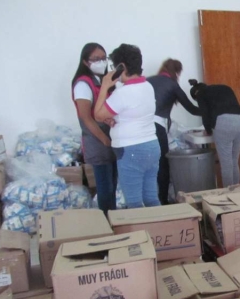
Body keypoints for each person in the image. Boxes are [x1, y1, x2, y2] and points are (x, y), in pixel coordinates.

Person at [94, 44, 161, 209]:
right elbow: (130, 113)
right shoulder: (147, 87)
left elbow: (98, 115)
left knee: (134, 202)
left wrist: (104, 86)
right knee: (151, 198)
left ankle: (141, 228)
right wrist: (112, 118)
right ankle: (161, 225)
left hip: (131, 150)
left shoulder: (123, 93)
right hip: (152, 146)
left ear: (121, 67)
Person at [71, 43, 117, 214]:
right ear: (85, 61)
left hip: (111, 138)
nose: (101, 62)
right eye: (96, 59)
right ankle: (107, 220)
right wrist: (104, 140)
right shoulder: (83, 84)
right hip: (98, 141)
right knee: (105, 187)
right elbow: (86, 117)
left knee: (112, 185)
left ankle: (115, 219)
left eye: (104, 58)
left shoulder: (104, 82)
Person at [147, 59, 200, 204]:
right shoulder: (172, 84)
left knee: (146, 165)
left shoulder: (148, 81)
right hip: (157, 126)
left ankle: (147, 201)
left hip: (140, 127)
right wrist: (209, 110)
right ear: (177, 72)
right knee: (162, 164)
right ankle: (163, 201)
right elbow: (192, 109)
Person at [188, 79, 240, 187]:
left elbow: (205, 114)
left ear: (195, 94)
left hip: (223, 124)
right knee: (234, 161)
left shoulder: (200, 94)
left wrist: (208, 130)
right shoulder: (225, 87)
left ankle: (229, 192)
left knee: (226, 164)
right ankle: (237, 192)